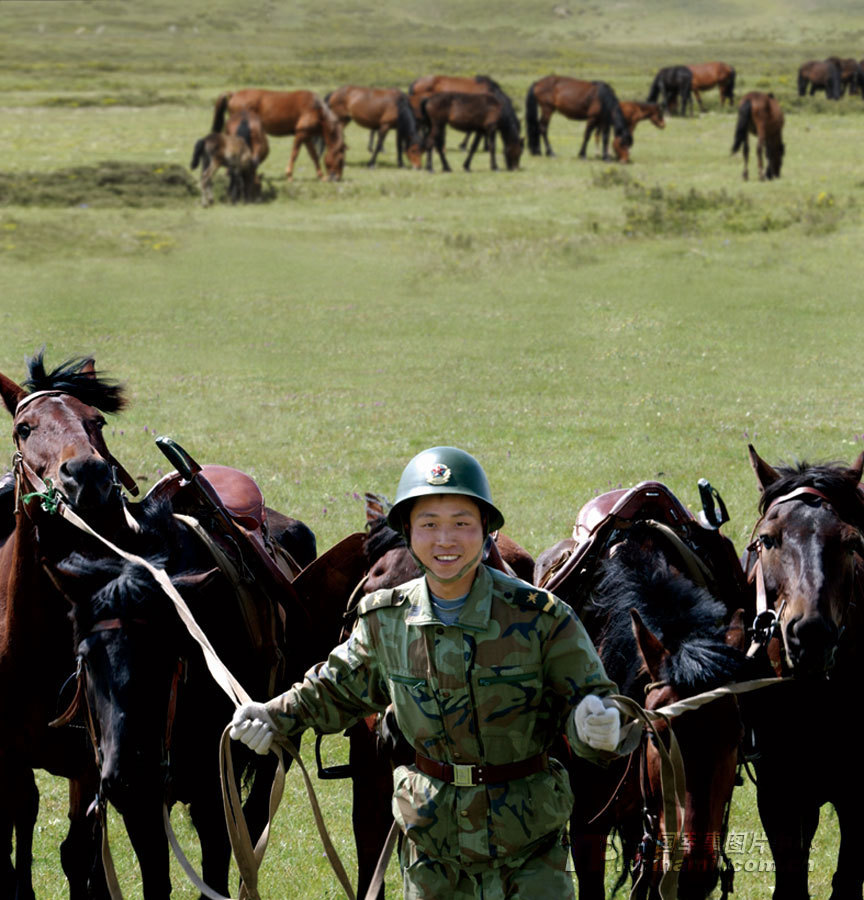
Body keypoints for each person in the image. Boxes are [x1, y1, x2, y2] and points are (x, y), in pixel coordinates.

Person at [230, 446, 639, 899]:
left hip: (528, 857)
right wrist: (273, 715)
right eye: (429, 524)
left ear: (486, 531)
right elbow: (334, 689)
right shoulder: (386, 620)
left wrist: (602, 726)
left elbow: (595, 704)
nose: (445, 540)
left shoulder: (541, 617)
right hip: (432, 858)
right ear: (407, 532)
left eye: (462, 524)